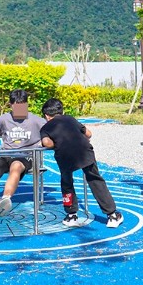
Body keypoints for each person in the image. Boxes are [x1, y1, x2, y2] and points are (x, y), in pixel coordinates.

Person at [40, 98, 123, 228]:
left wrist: (55, 142)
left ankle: (71, 215)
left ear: (46, 116)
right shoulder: (71, 119)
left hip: (64, 155)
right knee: (95, 180)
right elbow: (89, 134)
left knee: (67, 183)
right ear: (62, 111)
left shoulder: (45, 127)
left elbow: (46, 143)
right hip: (84, 152)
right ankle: (112, 215)